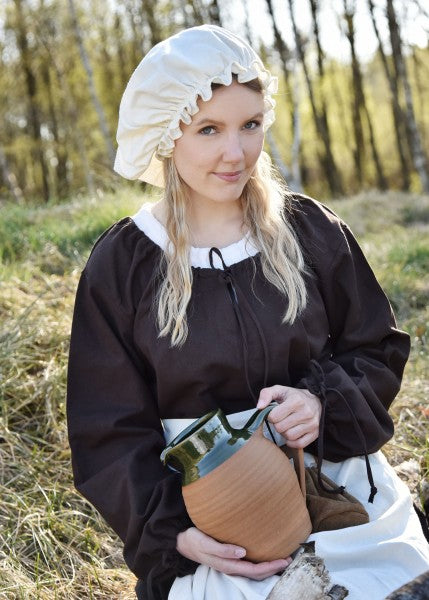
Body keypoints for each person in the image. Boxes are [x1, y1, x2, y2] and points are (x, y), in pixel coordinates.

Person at [67, 24, 429, 600]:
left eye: (251, 125)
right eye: (209, 129)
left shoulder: (309, 230)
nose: (236, 153)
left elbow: (377, 347)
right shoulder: (125, 264)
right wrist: (177, 534)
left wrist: (319, 401)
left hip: (328, 476)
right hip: (209, 514)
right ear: (168, 134)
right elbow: (106, 429)